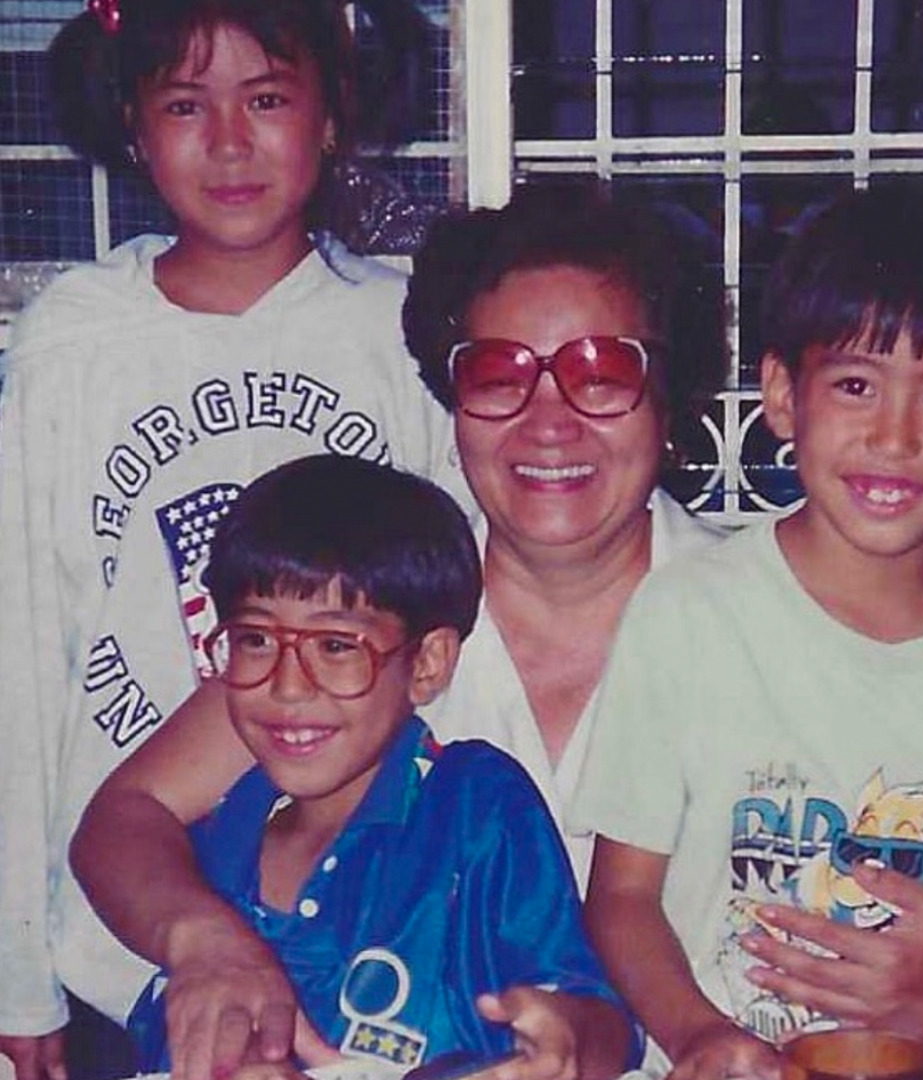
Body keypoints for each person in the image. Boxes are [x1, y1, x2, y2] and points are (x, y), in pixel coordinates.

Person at [69, 185, 729, 1079]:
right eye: (498, 374)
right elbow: (126, 816)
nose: (548, 419)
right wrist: (207, 943)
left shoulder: (754, 617)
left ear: (669, 397)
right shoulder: (376, 597)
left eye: (601, 372)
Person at [0, 2, 465, 1078]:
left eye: (265, 99)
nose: (227, 142)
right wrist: (18, 967)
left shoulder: (397, 331)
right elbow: (19, 647)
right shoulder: (77, 341)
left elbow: (448, 635)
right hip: (120, 942)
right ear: (132, 124)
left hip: (368, 930)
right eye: (183, 105)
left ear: (331, 114)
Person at [570, 183, 923, 1080]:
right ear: (780, 394)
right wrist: (696, 1035)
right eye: (855, 385)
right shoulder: (687, 613)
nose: (895, 437)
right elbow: (621, 898)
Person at [123, 453, 639, 1080]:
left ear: (427, 663)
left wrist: (570, 1042)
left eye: (336, 646)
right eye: (256, 640)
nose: (288, 686)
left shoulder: (472, 808)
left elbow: (599, 1020)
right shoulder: (210, 835)